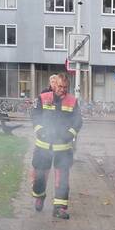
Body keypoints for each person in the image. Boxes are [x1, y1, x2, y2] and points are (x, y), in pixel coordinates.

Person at [31, 73, 82, 219]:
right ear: (54, 85)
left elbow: (78, 121)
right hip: (43, 146)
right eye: (60, 86)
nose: (62, 90)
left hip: (63, 148)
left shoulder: (72, 101)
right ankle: (40, 197)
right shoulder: (43, 98)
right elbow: (34, 115)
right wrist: (39, 131)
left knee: (62, 179)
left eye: (65, 87)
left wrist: (70, 134)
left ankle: (60, 208)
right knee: (39, 175)